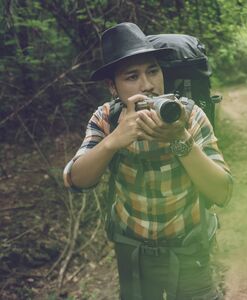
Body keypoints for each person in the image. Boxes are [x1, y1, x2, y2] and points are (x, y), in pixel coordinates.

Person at [63, 22, 232, 300]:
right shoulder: (106, 118)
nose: (148, 84)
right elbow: (74, 179)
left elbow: (222, 192)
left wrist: (180, 139)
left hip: (189, 250)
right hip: (134, 254)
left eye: (153, 70)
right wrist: (114, 140)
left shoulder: (189, 115)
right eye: (132, 76)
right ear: (113, 87)